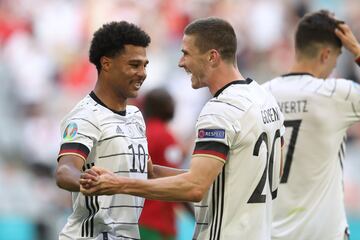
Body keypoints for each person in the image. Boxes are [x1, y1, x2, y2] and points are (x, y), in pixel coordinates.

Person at [80, 17, 285, 239]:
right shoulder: (265, 98)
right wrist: (154, 172)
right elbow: (267, 171)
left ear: (212, 56)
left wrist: (118, 184)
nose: (181, 62)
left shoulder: (221, 109)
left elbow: (195, 187)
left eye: (186, 53)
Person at [262, 10, 360, 240]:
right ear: (326, 55)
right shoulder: (337, 94)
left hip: (271, 232)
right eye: (335, 59)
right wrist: (356, 50)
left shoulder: (260, 94)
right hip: (324, 233)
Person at [55, 21, 151, 240]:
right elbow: (65, 170)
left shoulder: (136, 116)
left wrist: (200, 177)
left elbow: (150, 173)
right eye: (135, 65)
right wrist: (89, 181)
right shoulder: (85, 115)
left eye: (145, 65)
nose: (143, 73)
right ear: (106, 64)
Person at [139, 88, 184, 240]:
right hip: (158, 222)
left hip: (139, 218)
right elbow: (177, 181)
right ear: (163, 107)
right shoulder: (165, 137)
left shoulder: (142, 132)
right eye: (170, 102)